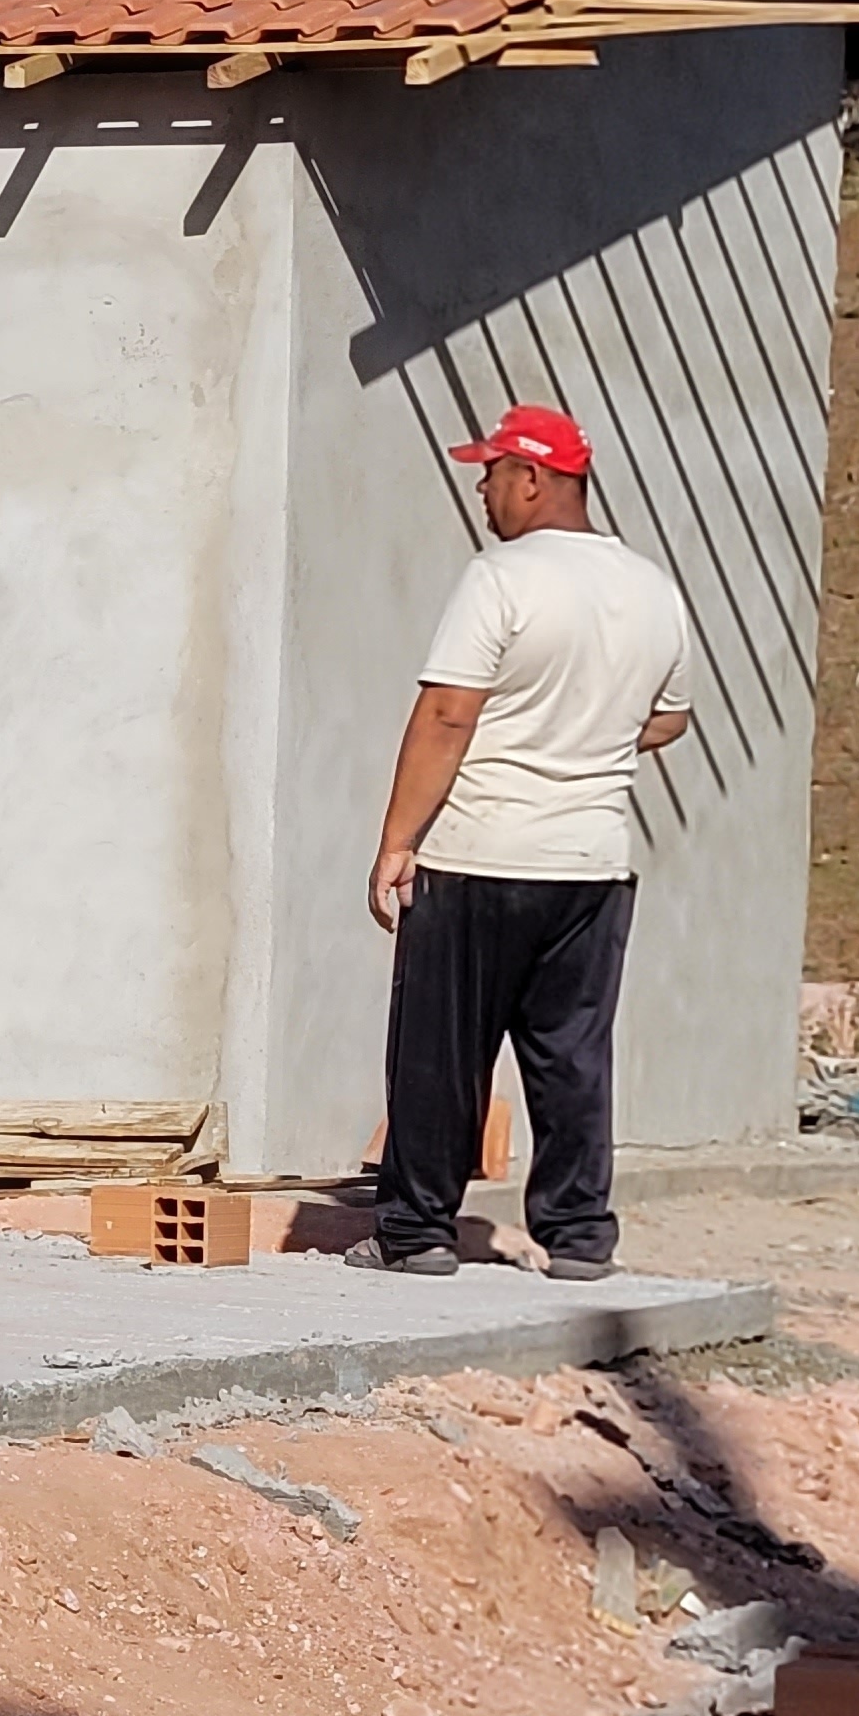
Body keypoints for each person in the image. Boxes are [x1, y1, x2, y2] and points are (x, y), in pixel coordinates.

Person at [365, 400, 692, 1282]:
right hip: (592, 866)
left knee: (443, 1050)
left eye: (492, 471)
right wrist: (588, 731)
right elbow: (669, 718)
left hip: (480, 854)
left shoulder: (500, 579)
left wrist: (398, 840)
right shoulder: (651, 587)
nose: (482, 488)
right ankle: (580, 1235)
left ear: (535, 478)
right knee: (571, 1055)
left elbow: (447, 712)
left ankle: (420, 1232)